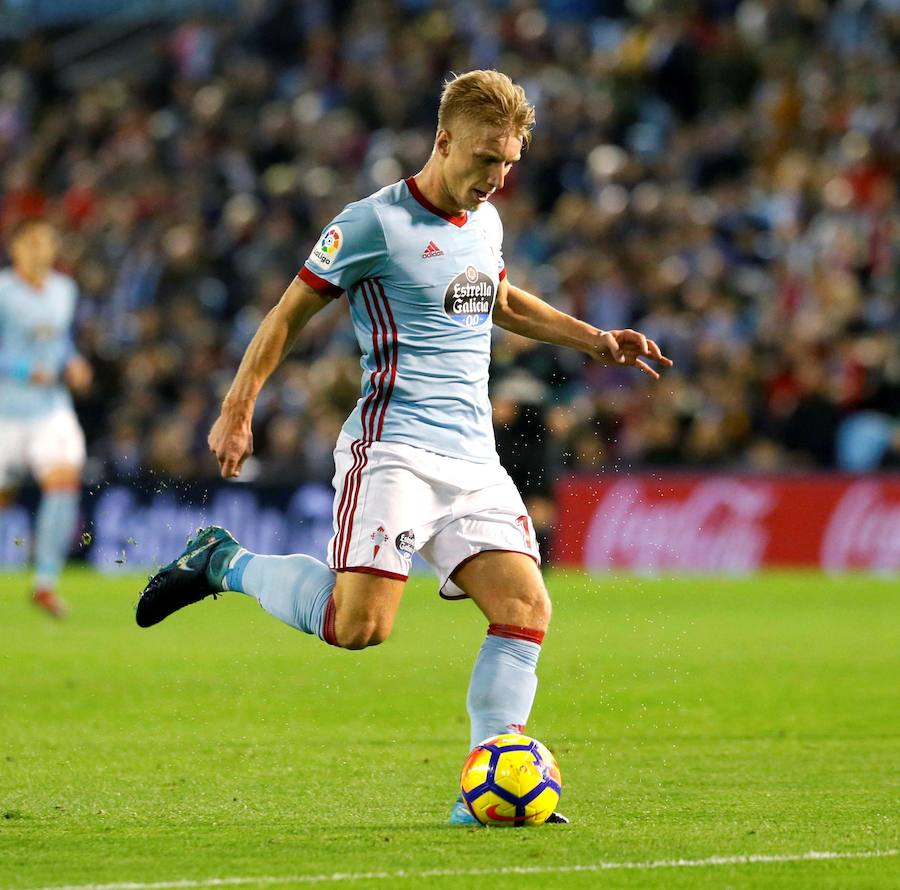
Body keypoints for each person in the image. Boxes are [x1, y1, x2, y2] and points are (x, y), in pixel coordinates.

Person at [136, 70, 671, 824]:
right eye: (486, 159)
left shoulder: (487, 225)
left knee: (525, 608)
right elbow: (287, 315)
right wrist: (238, 406)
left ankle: (483, 788)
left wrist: (594, 340)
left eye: (510, 163)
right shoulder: (370, 225)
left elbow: (500, 297)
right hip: (392, 451)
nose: (497, 177)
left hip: (474, 460)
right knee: (360, 628)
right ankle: (223, 560)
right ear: (443, 140)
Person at [0, 218, 92, 618]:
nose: (42, 250)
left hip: (50, 408)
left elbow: (60, 341)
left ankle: (45, 583)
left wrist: (73, 363)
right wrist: (23, 370)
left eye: (49, 242)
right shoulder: (2, 292)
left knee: (63, 481)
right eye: (34, 242)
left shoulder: (64, 290)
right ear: (16, 247)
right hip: (6, 410)